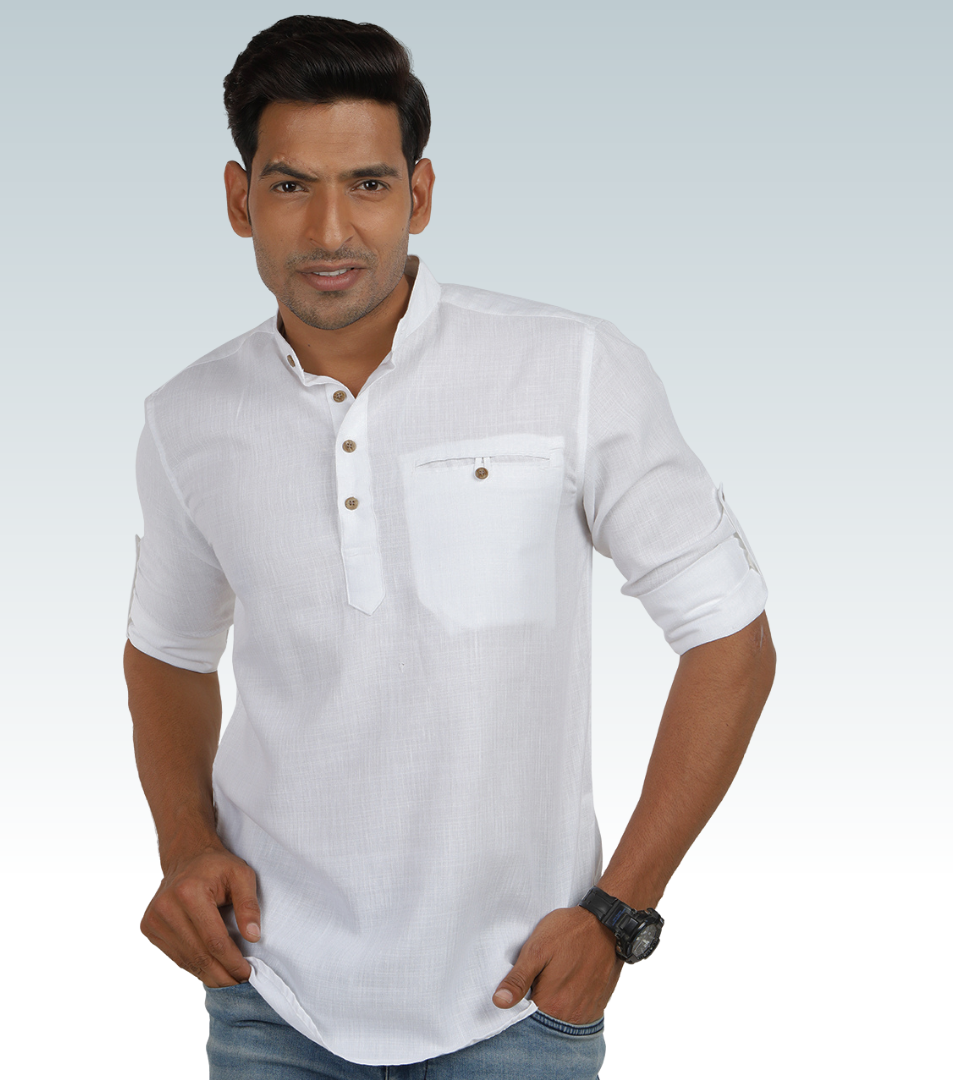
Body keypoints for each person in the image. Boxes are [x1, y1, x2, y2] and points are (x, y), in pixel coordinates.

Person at [123, 14, 775, 1079]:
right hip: (270, 1000)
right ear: (240, 201)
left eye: (368, 185)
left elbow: (730, 639)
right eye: (290, 186)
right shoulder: (186, 418)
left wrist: (618, 915)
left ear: (419, 194)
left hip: (516, 1001)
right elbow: (166, 653)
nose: (330, 228)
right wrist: (186, 845)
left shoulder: (570, 369)